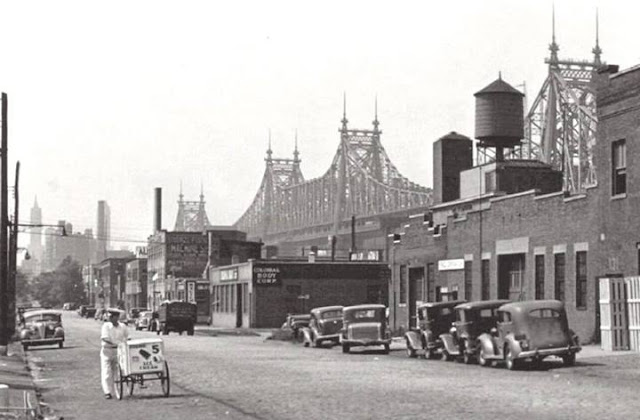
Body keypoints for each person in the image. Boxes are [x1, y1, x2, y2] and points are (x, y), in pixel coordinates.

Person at [100, 309, 129, 399]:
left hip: (119, 351)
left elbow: (128, 337)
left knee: (119, 370)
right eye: (110, 317)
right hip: (107, 351)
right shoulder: (106, 326)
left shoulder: (122, 326)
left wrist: (126, 342)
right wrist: (114, 343)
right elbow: (105, 338)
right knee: (107, 371)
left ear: (117, 317)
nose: (110, 319)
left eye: (112, 317)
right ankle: (107, 392)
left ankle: (118, 389)